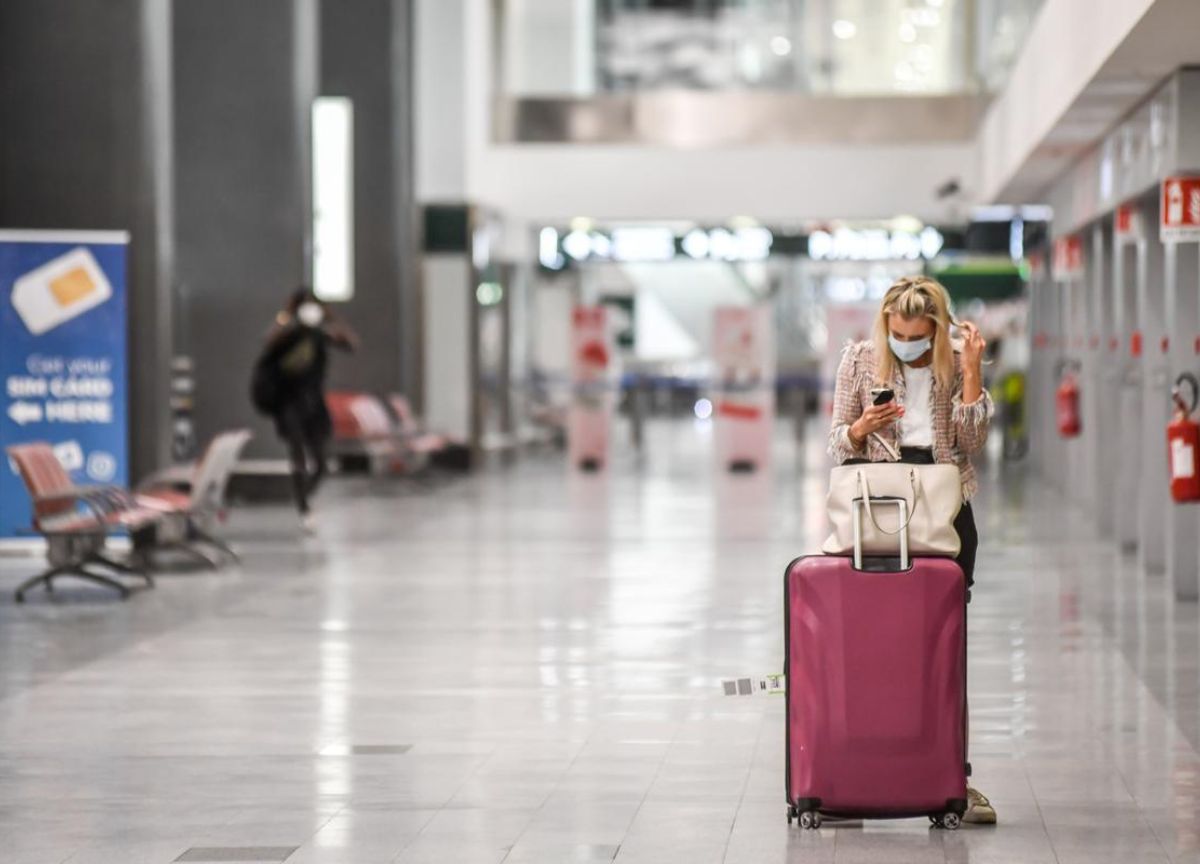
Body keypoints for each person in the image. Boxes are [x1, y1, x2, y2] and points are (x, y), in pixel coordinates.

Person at [828, 274, 996, 825]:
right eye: (898, 334)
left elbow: (971, 445)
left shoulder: (953, 361)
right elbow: (834, 444)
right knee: (874, 640)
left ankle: (951, 777)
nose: (908, 345)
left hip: (946, 505)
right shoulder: (858, 361)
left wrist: (971, 374)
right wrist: (860, 427)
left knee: (944, 647)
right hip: (880, 505)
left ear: (937, 329)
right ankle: (858, 772)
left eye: (918, 337)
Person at [252, 288, 358, 533]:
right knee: (297, 453)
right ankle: (303, 507)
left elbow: (350, 344)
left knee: (321, 461)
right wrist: (287, 316)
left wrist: (330, 317)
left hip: (314, 404)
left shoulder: (318, 335)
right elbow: (268, 341)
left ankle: (303, 497)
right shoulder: (288, 334)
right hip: (289, 403)